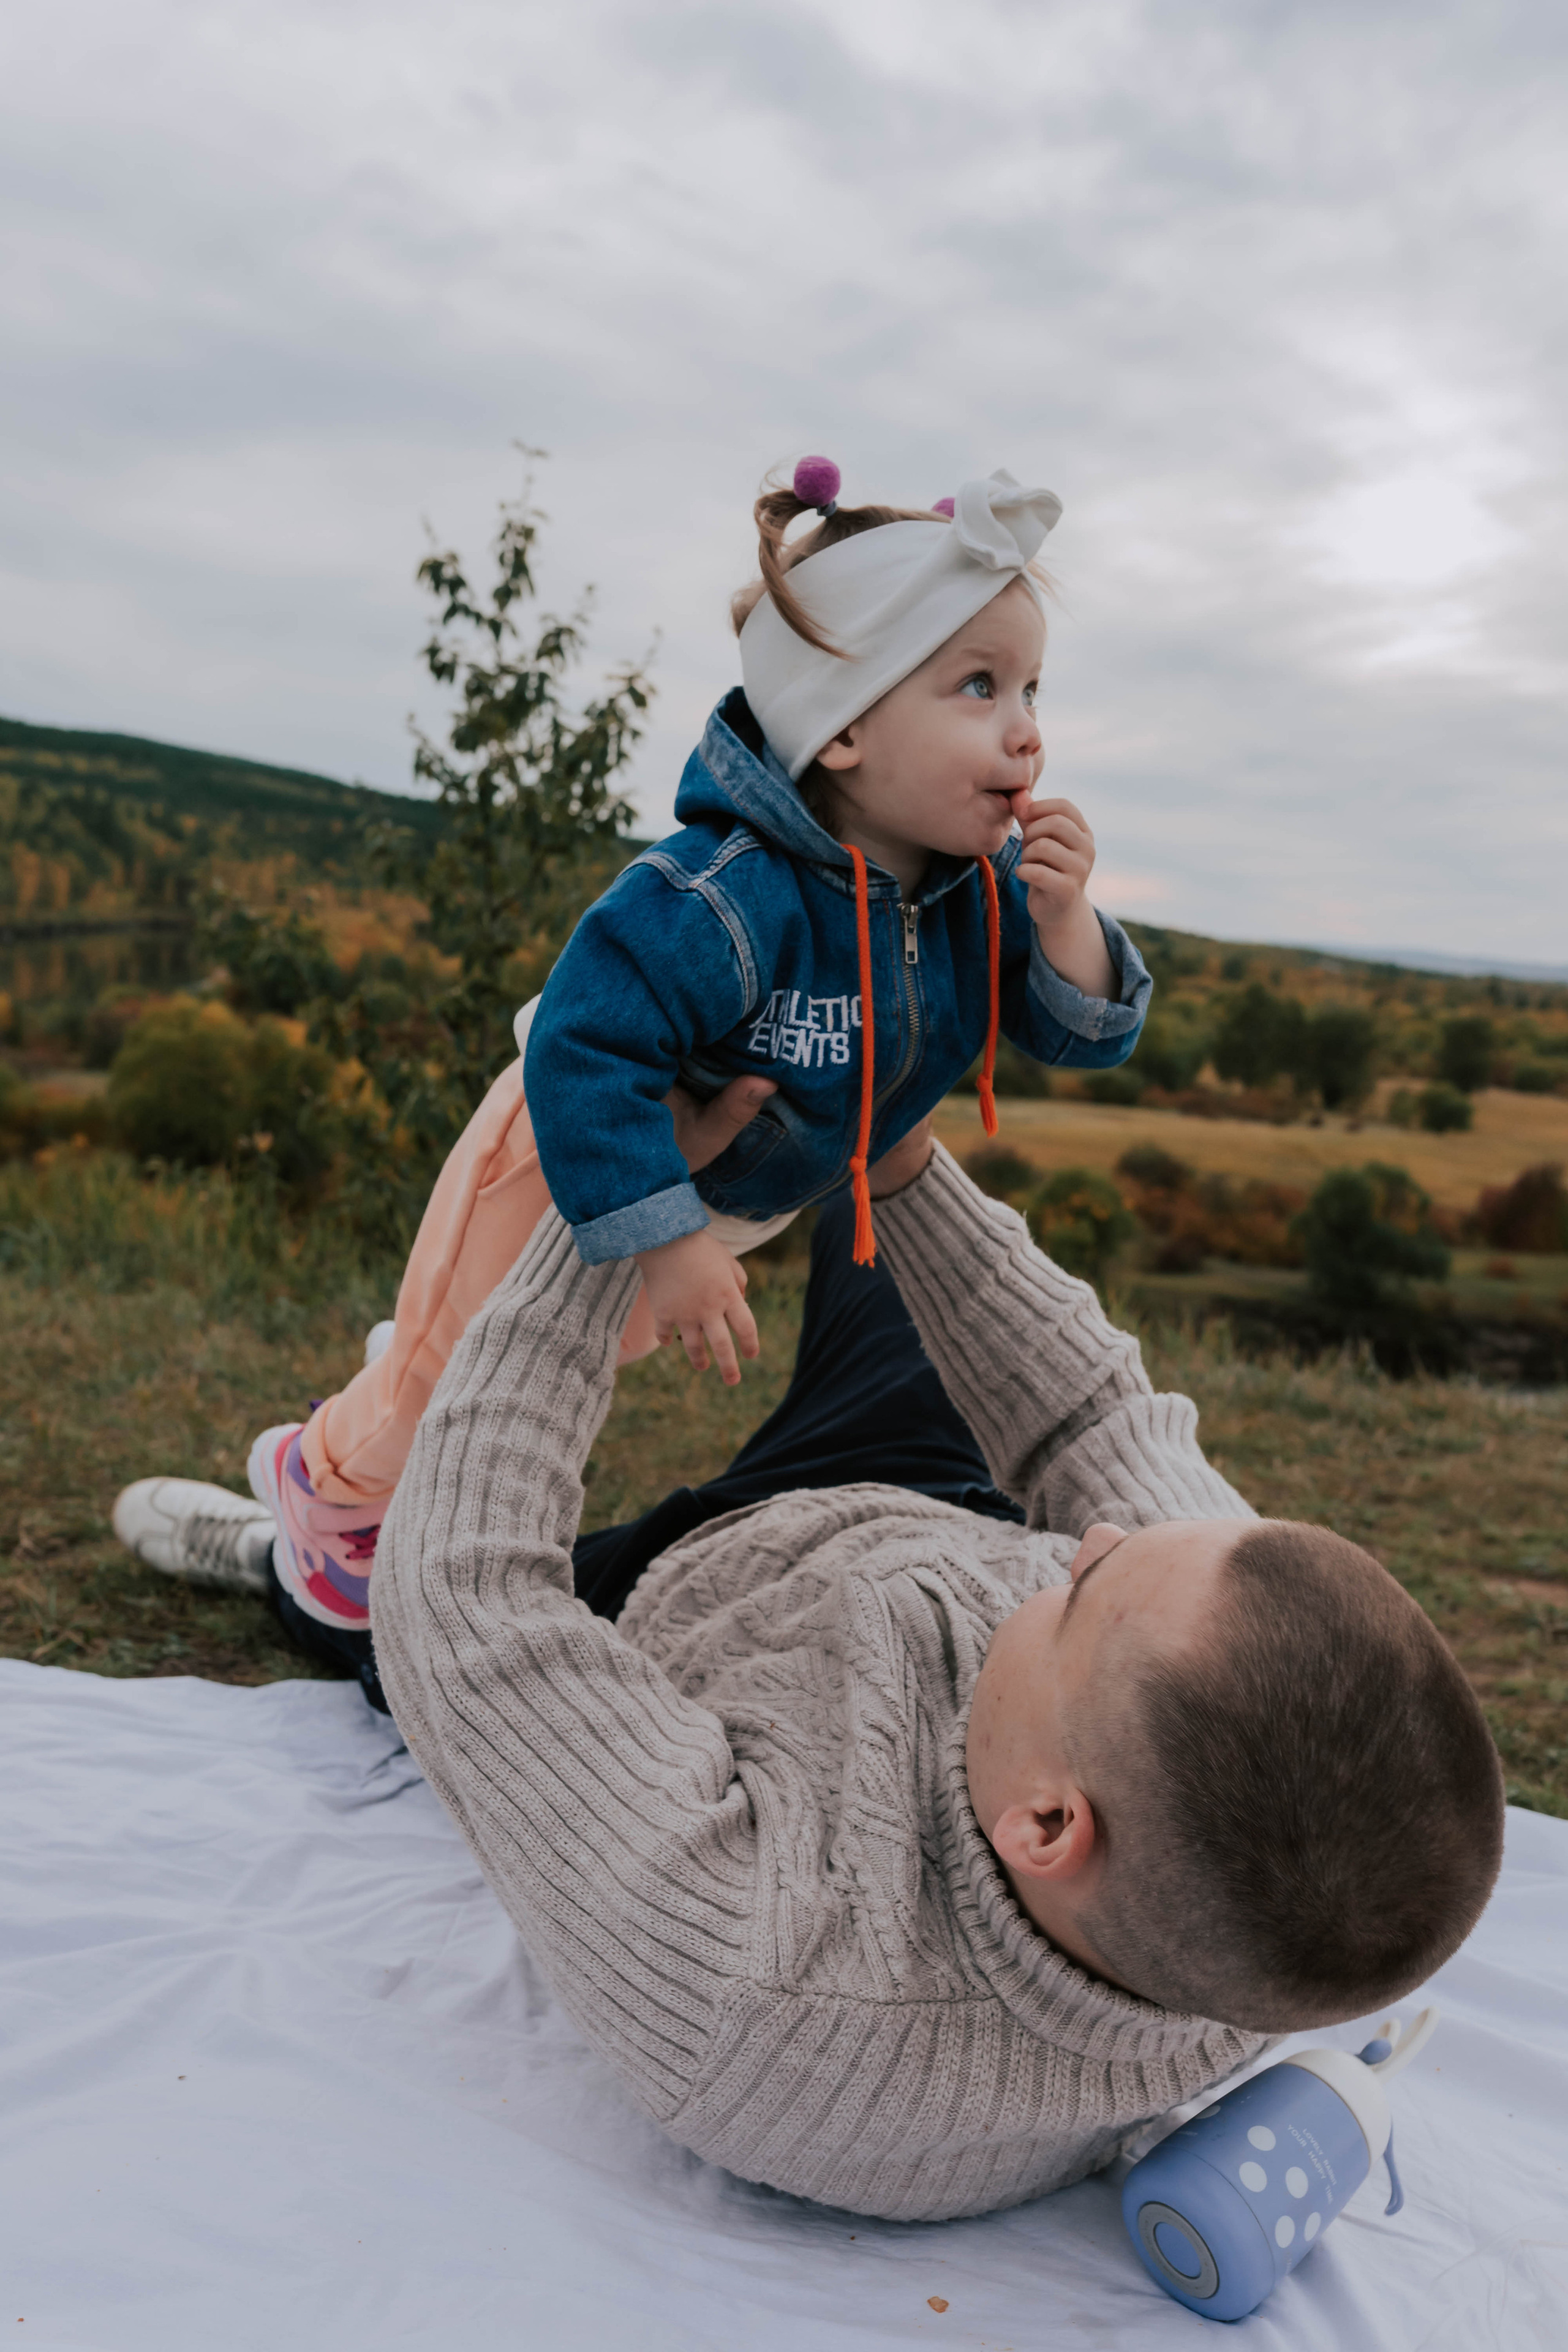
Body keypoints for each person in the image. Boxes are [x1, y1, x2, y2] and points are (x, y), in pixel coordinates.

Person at [114, 1116, 1504, 2222]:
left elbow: (467, 1599)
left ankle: (293, 1556)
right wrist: (892, 1146)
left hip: (677, 1612)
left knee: (386, 1622)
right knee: (863, 1202)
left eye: (1085, 1598)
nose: (1083, 1545)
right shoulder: (1251, 1882)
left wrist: (618, 1201)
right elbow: (1093, 1414)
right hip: (908, 1506)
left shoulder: (767, 1981)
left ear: (1044, 1822)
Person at [213, 461, 1154, 1649]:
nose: (1024, 729)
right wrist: (661, 1236)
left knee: (564, 1370)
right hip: (569, 1161)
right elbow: (583, 1043)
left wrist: (1067, 928)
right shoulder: (723, 891)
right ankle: (322, 1481)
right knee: (461, 1395)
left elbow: (1071, 1035)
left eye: (1029, 686)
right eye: (977, 686)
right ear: (847, 726)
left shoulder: (973, 897)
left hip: (710, 1204)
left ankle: (400, 1387)